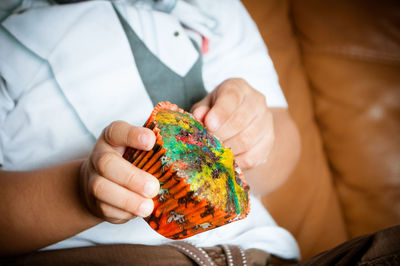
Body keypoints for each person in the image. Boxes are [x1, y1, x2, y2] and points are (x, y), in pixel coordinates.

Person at [0, 0, 302, 263]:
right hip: (117, 258)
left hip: (264, 252)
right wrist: (80, 195)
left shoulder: (215, 8)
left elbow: (283, 144)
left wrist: (254, 136)